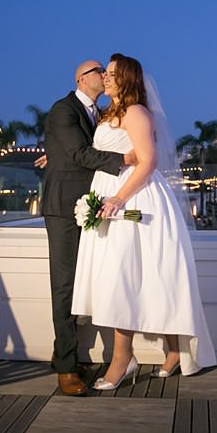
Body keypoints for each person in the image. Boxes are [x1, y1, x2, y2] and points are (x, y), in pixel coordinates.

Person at [71, 53, 216, 390]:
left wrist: (119, 198)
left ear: (128, 79)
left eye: (111, 74)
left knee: (129, 277)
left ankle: (123, 358)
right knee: (141, 277)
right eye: (104, 73)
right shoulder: (109, 114)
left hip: (134, 204)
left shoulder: (136, 113)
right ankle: (172, 350)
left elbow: (147, 162)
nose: (105, 78)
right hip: (109, 200)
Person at [41, 59, 136, 396]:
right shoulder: (63, 109)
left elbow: (73, 149)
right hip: (65, 208)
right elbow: (80, 152)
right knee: (64, 286)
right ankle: (67, 368)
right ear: (82, 79)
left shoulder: (100, 112)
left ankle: (62, 355)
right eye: (99, 71)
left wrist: (54, 152)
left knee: (86, 281)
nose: (104, 76)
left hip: (92, 206)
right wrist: (126, 159)